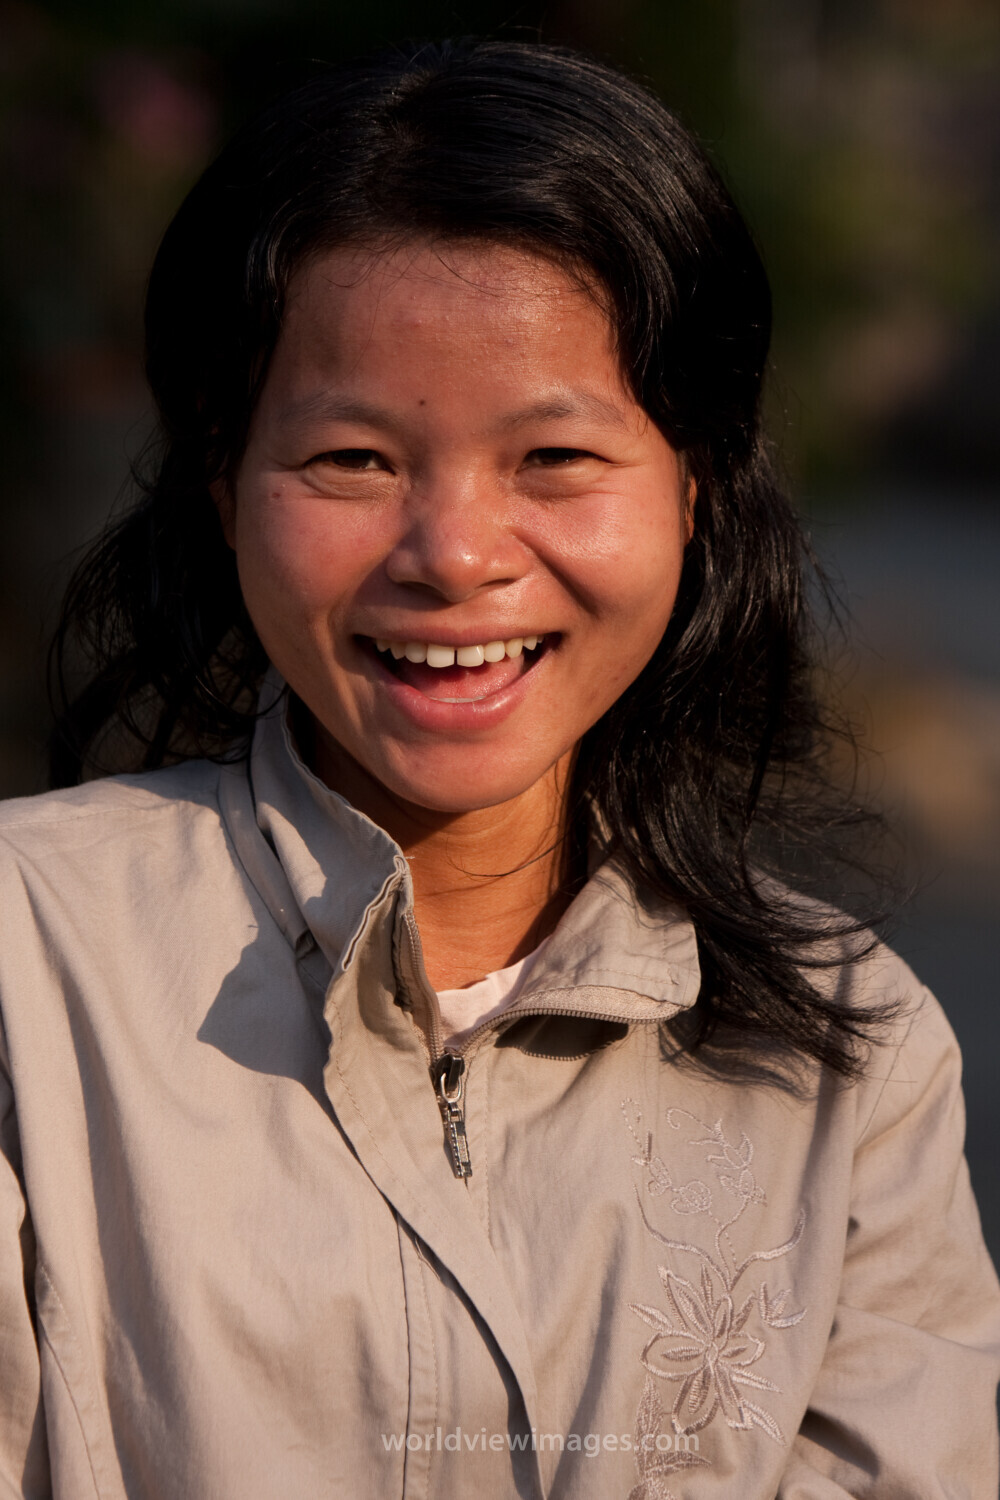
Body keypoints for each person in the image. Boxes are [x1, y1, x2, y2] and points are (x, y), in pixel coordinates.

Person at [1, 37, 997, 1500]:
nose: (456, 554)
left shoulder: (854, 1061)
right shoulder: (25, 969)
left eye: (555, 459)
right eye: (351, 458)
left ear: (695, 486)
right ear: (225, 483)